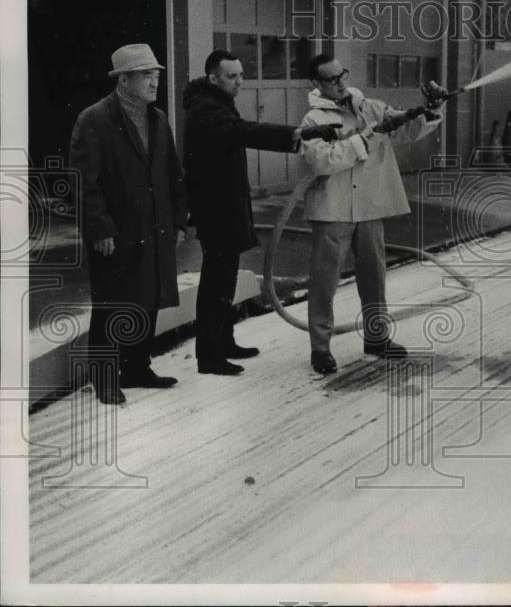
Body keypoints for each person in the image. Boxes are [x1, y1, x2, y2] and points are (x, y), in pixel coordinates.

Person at [182, 50, 341, 375]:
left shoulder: (216, 102)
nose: (239, 82)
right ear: (214, 78)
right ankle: (209, 356)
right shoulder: (205, 110)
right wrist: (300, 134)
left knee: (225, 279)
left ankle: (224, 342)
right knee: (216, 282)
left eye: (241, 75)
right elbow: (246, 131)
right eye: (232, 76)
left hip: (226, 206)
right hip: (216, 210)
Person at [300, 54, 445, 375]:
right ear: (317, 84)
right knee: (325, 282)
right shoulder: (313, 120)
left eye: (342, 75)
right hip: (333, 209)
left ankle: (377, 339)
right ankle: (320, 349)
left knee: (374, 276)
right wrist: (362, 139)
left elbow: (408, 129)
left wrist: (433, 108)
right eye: (331, 79)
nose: (340, 83)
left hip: (369, 206)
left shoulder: (371, 108)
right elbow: (323, 162)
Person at [69, 44, 187, 404]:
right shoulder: (95, 119)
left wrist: (179, 220)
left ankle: (137, 368)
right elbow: (81, 181)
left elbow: (173, 175)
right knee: (112, 303)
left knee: (147, 298)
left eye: (156, 75)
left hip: (154, 227)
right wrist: (100, 227)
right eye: (146, 75)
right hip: (116, 232)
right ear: (123, 80)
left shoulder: (158, 119)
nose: (154, 82)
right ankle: (104, 379)